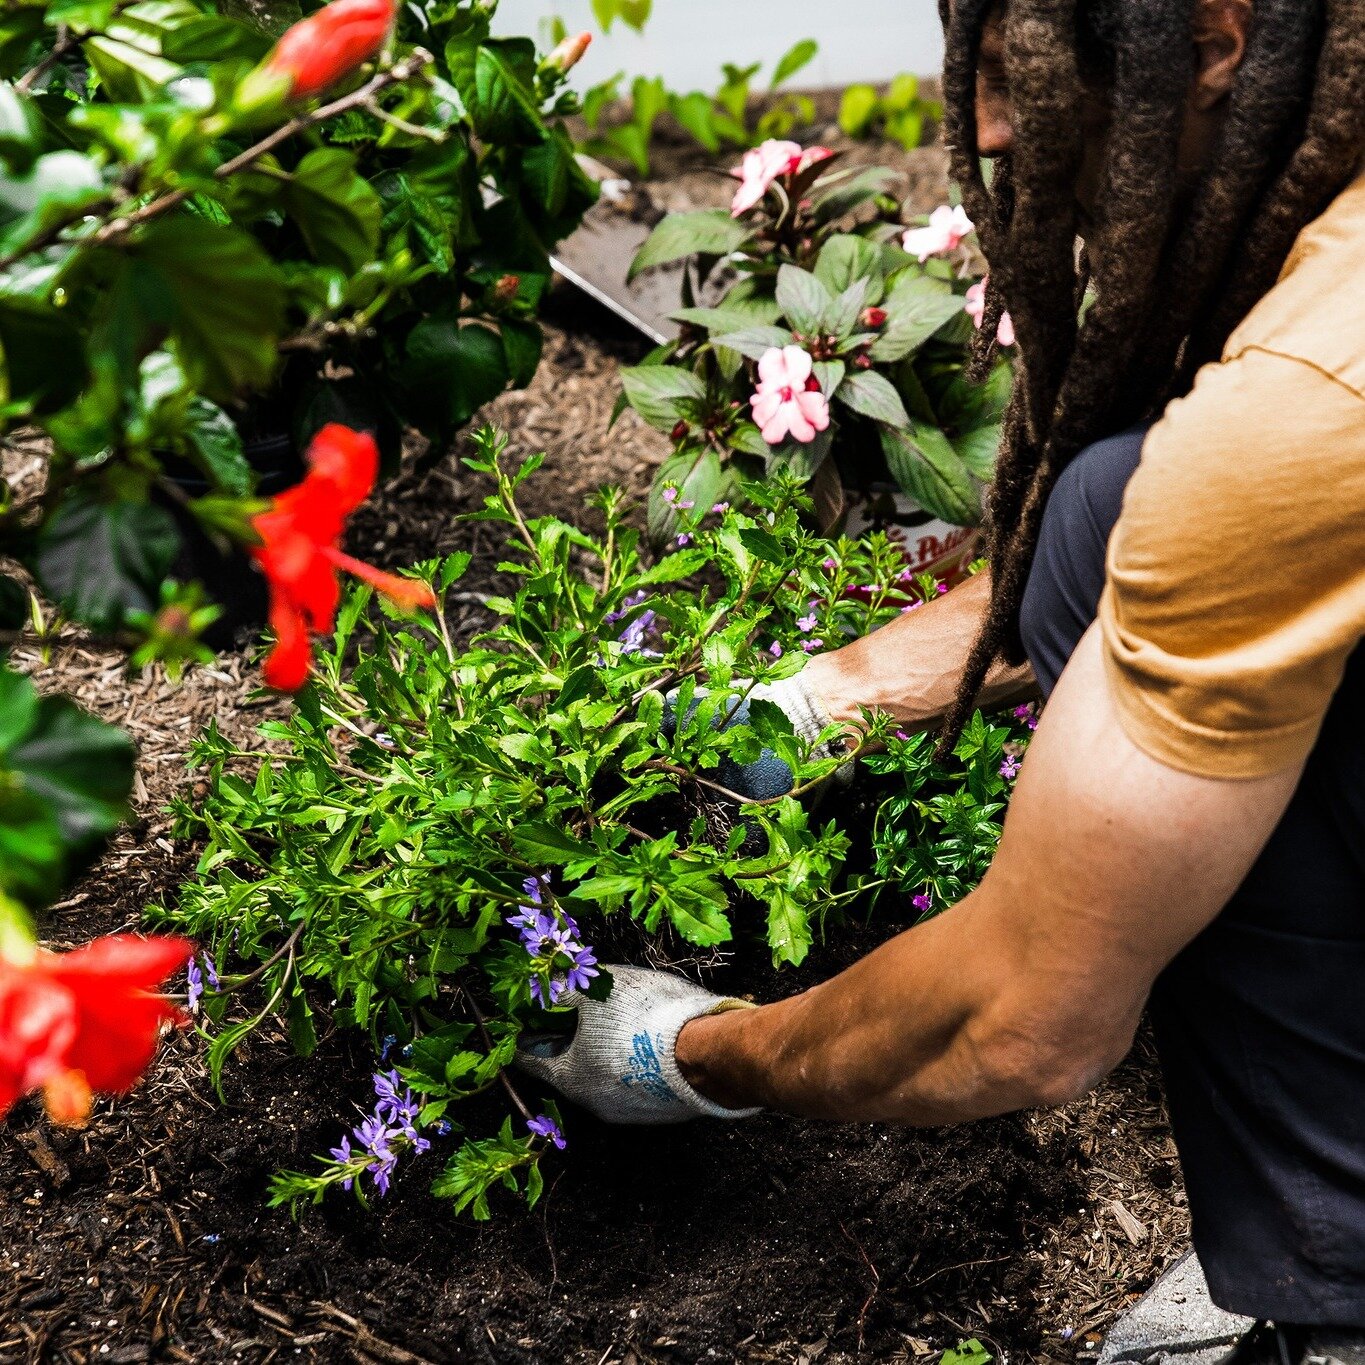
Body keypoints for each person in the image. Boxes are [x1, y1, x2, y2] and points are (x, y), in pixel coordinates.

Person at [518, 2, 1365, 1359]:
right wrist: (813, 706)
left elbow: (1024, 1022)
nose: (972, 126)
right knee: (1100, 499)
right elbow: (1197, 539)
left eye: (1012, 65)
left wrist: (692, 1055)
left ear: (1211, 39)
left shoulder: (1319, 393)